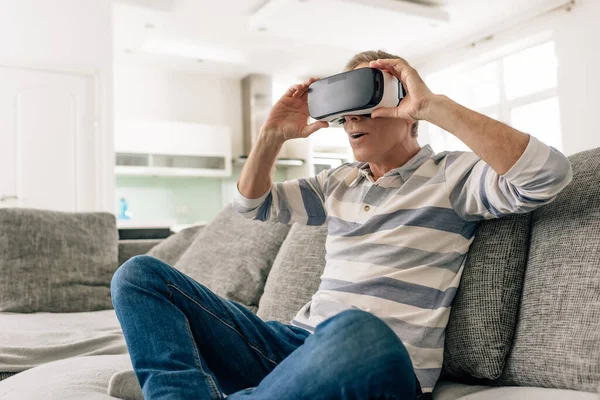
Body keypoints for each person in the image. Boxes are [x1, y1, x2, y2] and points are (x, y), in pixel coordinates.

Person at [111, 50, 573, 400]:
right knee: (139, 276)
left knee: (357, 328)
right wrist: (272, 135)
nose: (350, 118)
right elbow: (250, 205)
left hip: (376, 358)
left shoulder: (452, 176)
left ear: (404, 108)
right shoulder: (337, 183)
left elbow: (547, 176)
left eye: (365, 102)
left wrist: (433, 105)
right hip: (291, 346)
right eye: (343, 108)